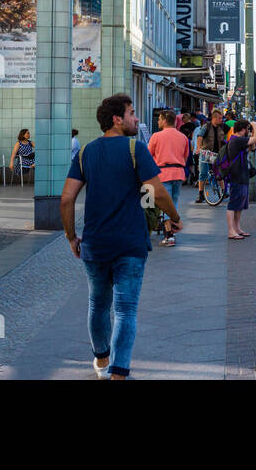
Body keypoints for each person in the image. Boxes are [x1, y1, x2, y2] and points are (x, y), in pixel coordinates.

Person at [61, 93, 182, 379]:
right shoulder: (134, 149)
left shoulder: (85, 152)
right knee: (126, 310)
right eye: (132, 113)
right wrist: (174, 218)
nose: (136, 118)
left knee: (97, 304)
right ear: (117, 119)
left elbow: (66, 200)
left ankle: (102, 361)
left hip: (95, 242)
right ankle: (119, 373)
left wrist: (71, 237)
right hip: (130, 243)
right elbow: (157, 191)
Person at [147, 110, 191, 247]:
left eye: (159, 119)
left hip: (163, 173)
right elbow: (185, 156)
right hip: (178, 173)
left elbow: (148, 155)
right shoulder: (182, 137)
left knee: (165, 203)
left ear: (165, 120)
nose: (158, 122)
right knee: (174, 202)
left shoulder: (156, 136)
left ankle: (169, 235)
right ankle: (172, 228)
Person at [222, 119, 256, 238]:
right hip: (236, 176)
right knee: (233, 204)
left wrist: (251, 131)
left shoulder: (240, 140)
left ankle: (237, 228)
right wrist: (254, 126)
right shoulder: (236, 140)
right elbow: (255, 139)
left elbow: (252, 147)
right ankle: (231, 230)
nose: (248, 131)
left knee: (239, 205)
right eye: (247, 129)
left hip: (242, 175)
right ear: (242, 130)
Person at [196, 109, 222, 204]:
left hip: (217, 153)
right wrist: (199, 148)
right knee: (203, 173)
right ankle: (200, 194)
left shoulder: (221, 127)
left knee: (219, 173)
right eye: (219, 118)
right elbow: (200, 137)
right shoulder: (206, 126)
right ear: (214, 118)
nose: (221, 120)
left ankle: (223, 192)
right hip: (206, 153)